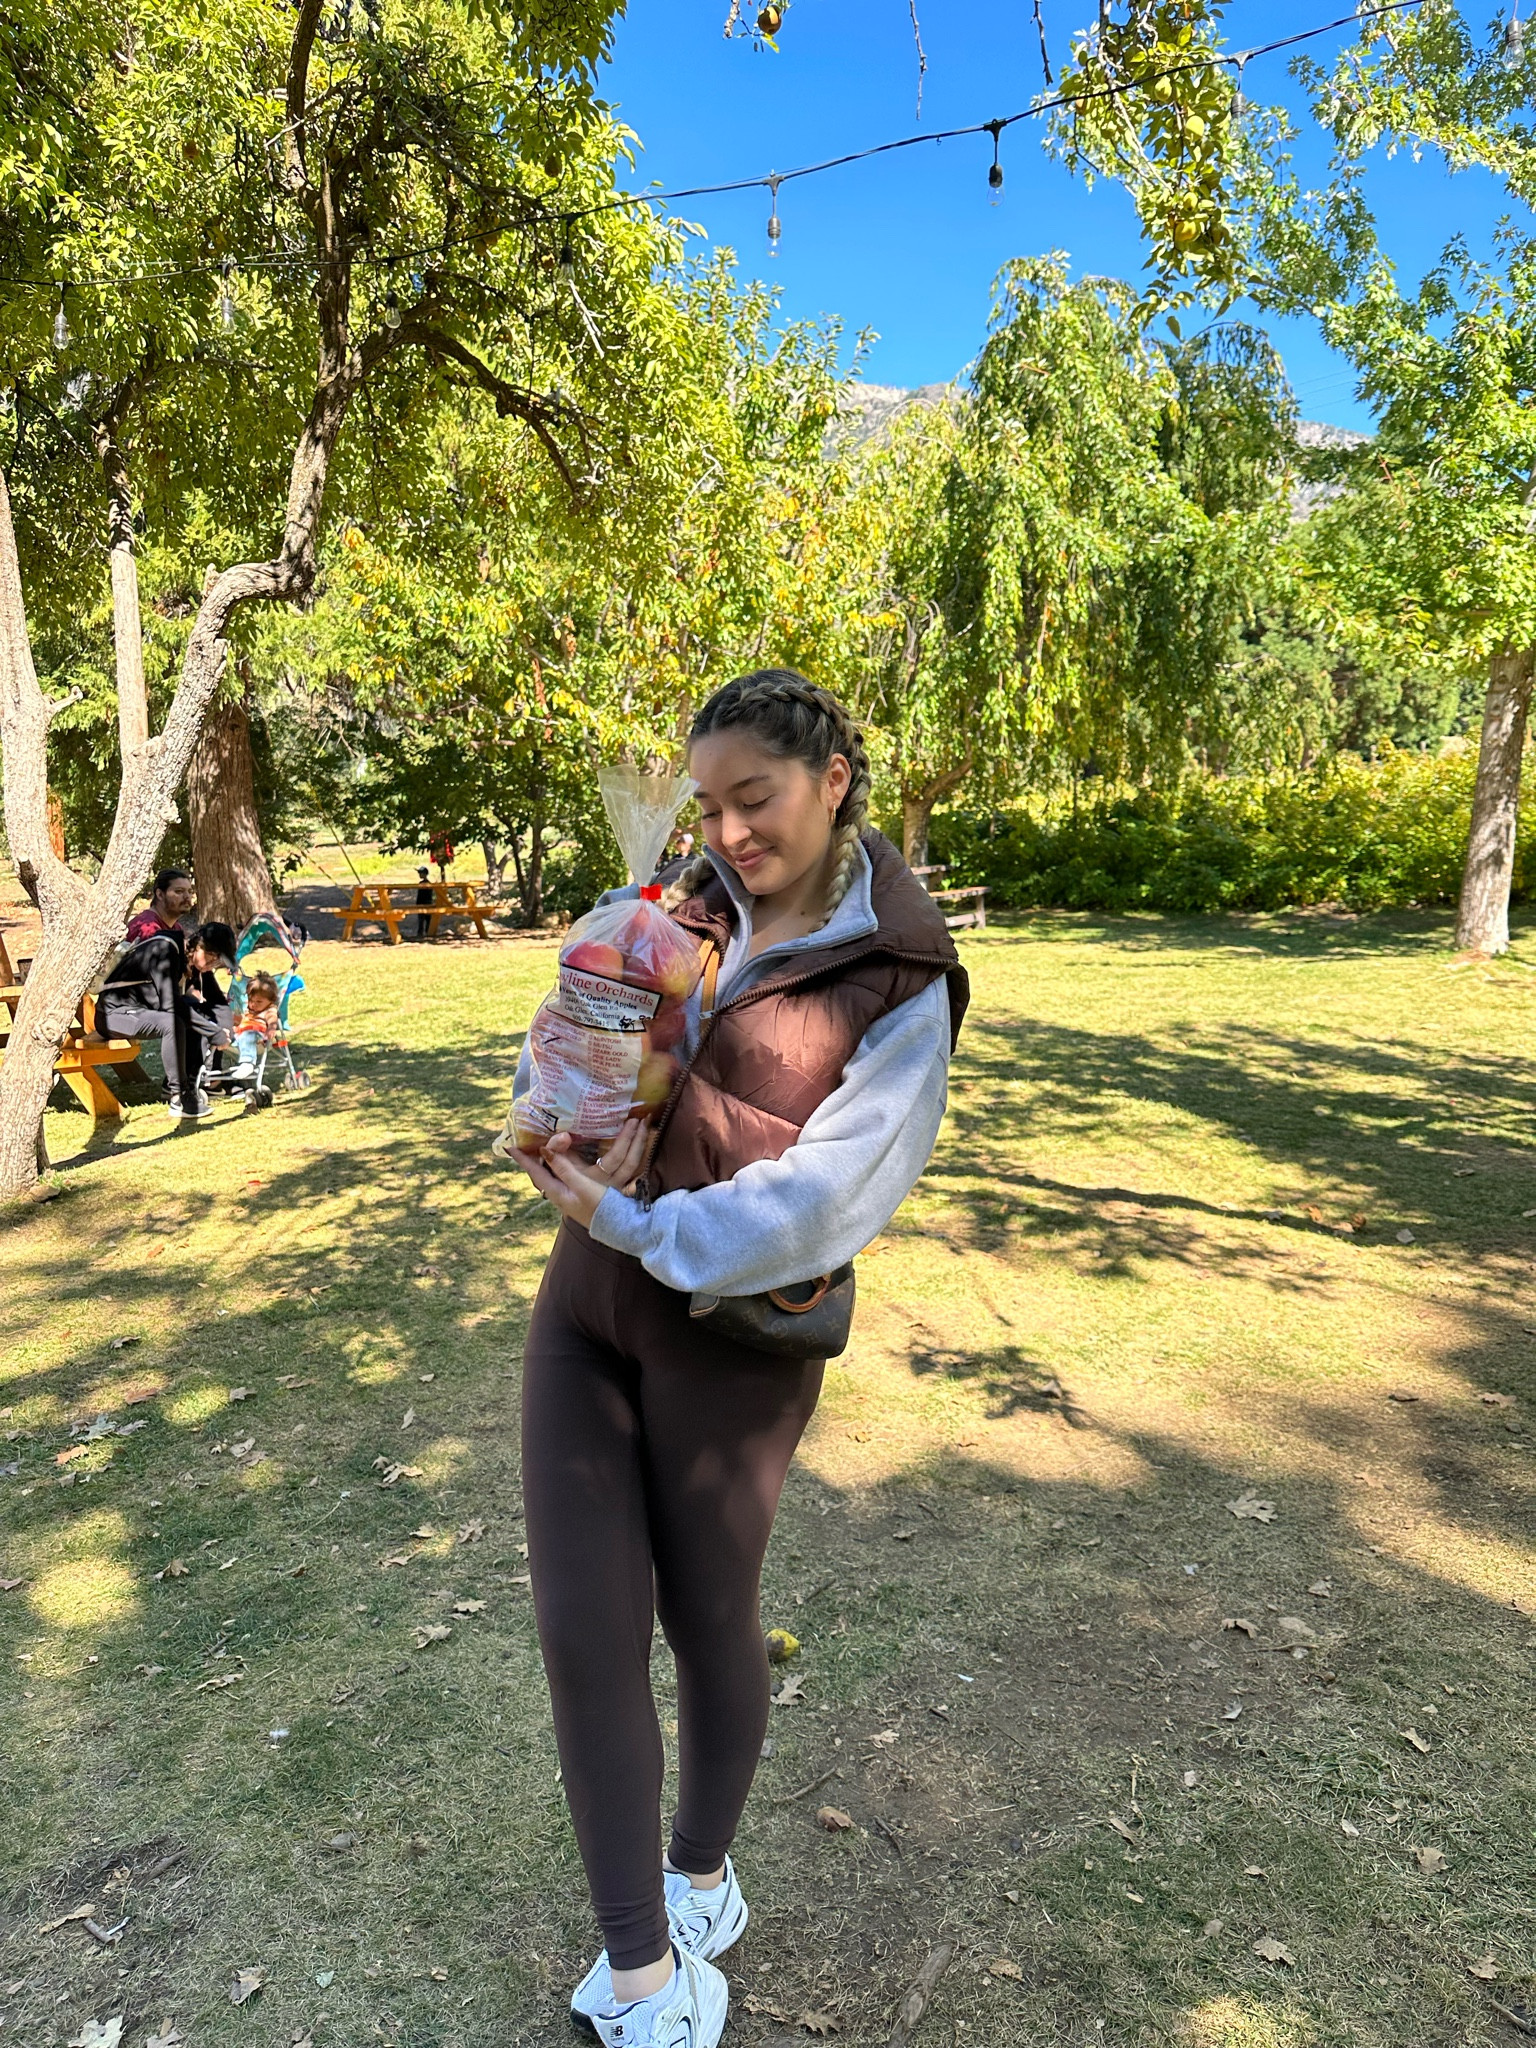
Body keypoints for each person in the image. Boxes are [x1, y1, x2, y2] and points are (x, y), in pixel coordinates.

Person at [511, 671, 968, 2048]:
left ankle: (700, 1875)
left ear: (833, 775)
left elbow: (829, 1201)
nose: (727, 828)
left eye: (752, 798)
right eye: (707, 802)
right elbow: (603, 1041)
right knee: (581, 1629)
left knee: (707, 1619)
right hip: (586, 1297)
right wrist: (568, 1109)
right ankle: (646, 1978)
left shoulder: (901, 976)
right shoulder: (683, 897)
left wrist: (643, 1221)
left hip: (735, 1338)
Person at [98, 917, 236, 1120]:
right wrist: (213, 1032)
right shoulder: (164, 950)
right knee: (172, 1023)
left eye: (219, 961)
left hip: (141, 1012)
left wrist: (223, 1031)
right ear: (198, 947)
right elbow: (171, 1005)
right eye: (213, 958)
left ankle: (198, 1080)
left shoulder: (190, 959)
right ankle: (179, 1097)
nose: (214, 965)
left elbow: (215, 1002)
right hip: (113, 1015)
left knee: (198, 1012)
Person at [124, 867, 194, 946]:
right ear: (160, 894)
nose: (187, 896)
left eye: (190, 891)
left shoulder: (175, 927)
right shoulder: (148, 928)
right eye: (179, 891)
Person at [229, 972, 281, 1079]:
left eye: (259, 1001)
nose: (253, 1004)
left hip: (258, 1039)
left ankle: (248, 1063)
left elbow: (272, 1018)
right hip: (239, 1037)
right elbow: (241, 1020)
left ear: (271, 1001)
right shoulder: (248, 1011)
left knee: (248, 1035)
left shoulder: (269, 1010)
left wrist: (271, 1028)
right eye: (251, 1000)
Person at [414, 866, 434, 941]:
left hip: (423, 903)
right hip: (426, 903)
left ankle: (422, 933)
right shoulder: (429, 883)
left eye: (420, 873)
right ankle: (427, 932)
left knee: (422, 919)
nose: (419, 874)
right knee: (425, 919)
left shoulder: (424, 884)